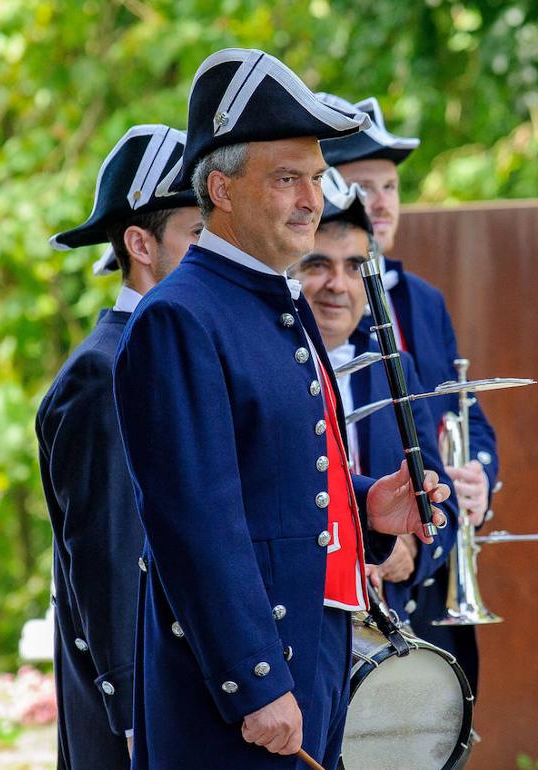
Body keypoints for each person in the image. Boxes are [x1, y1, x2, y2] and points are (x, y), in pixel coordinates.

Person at [112, 49, 448, 769]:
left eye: (315, 176)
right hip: (241, 689)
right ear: (222, 190)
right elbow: (196, 520)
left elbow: (279, 475)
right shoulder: (180, 317)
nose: (312, 198)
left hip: (312, 656)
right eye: (286, 178)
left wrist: (366, 505)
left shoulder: (273, 304)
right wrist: (255, 681)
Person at [320, 94, 497, 692]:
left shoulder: (422, 301)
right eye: (361, 186)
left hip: (415, 581)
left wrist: (470, 480)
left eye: (389, 187)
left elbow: (457, 418)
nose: (379, 203)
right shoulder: (295, 313)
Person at [37, 124, 201, 769]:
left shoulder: (166, 352)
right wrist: (135, 715)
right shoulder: (105, 370)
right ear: (140, 243)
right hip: (140, 715)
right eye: (197, 235)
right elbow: (108, 554)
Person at [289, 168, 458, 632]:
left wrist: (413, 550)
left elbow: (443, 500)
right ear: (292, 273)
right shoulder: (263, 363)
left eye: (354, 267)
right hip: (300, 623)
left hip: (391, 628)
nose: (337, 285)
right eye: (318, 265)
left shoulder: (394, 365)